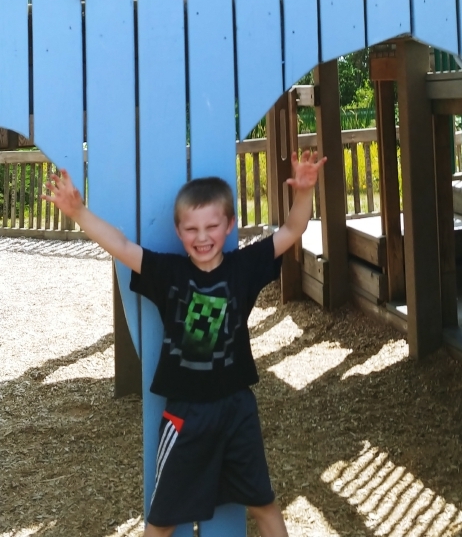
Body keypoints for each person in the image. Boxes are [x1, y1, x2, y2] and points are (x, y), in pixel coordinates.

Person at [44, 148, 326, 537]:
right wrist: (78, 212)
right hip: (185, 414)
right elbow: (121, 246)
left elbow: (292, 230)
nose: (202, 237)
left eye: (212, 226)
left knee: (264, 503)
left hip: (237, 408)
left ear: (229, 225)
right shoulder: (169, 273)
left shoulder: (244, 268)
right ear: (178, 232)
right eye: (191, 229)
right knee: (162, 520)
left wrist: (304, 191)